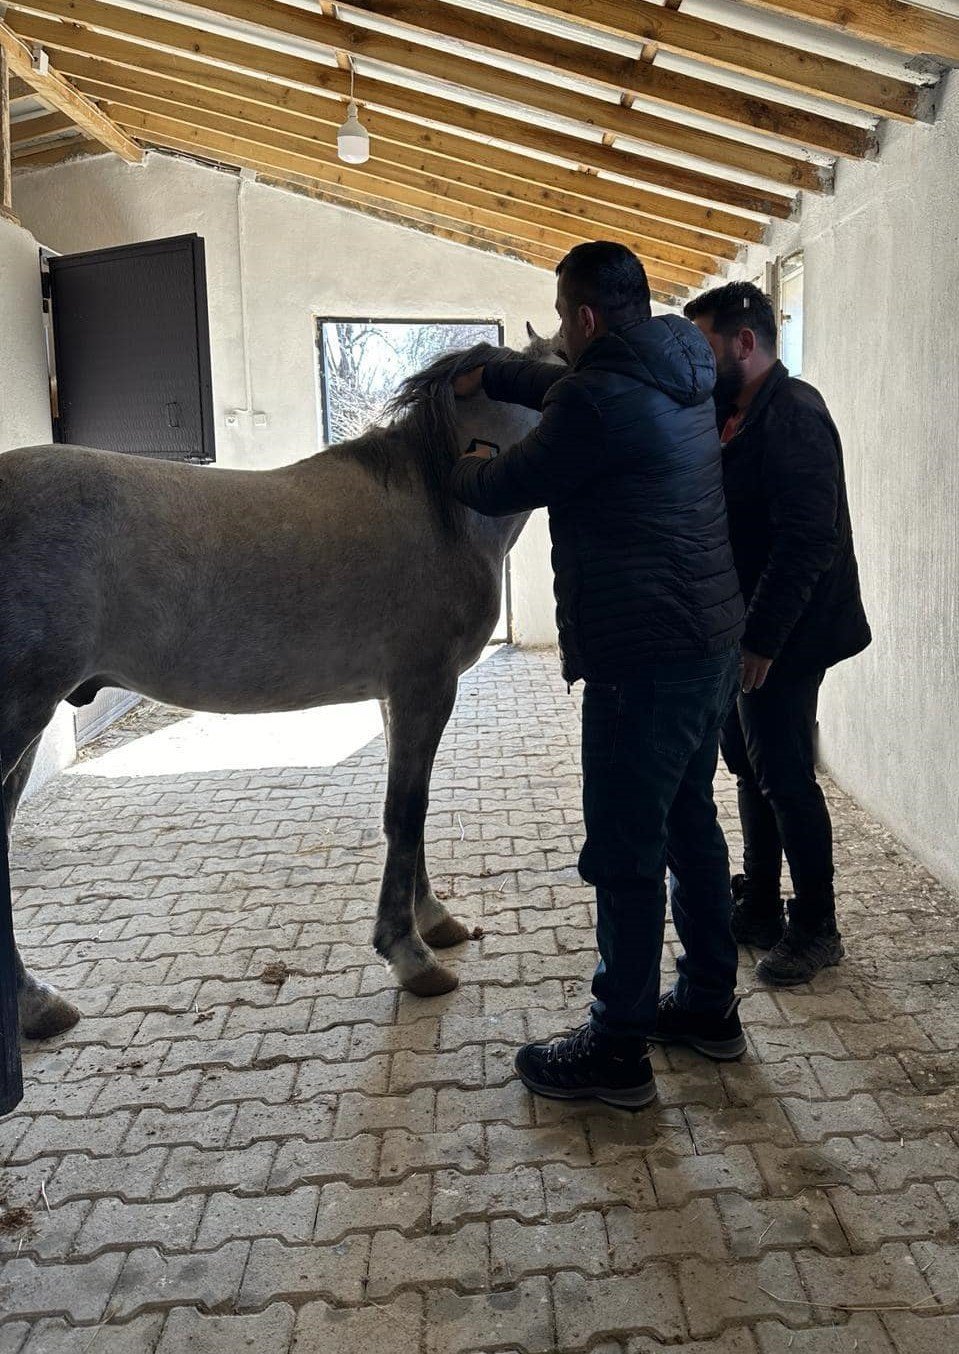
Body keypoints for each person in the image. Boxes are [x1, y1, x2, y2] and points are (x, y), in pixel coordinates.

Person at [449, 241, 746, 1109]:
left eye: (561, 317)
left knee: (623, 853)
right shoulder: (681, 364)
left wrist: (462, 455)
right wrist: (496, 372)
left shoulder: (594, 399)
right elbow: (569, 386)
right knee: (690, 824)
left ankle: (617, 1050)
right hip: (707, 644)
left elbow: (505, 483)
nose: (563, 335)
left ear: (581, 317)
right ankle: (708, 1006)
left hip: (638, 661)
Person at [683, 282, 871, 986]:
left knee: (786, 775)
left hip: (788, 632)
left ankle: (817, 927)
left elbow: (806, 542)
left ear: (743, 342)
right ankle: (761, 904)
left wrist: (761, 641)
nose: (695, 363)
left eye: (703, 346)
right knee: (748, 764)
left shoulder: (793, 414)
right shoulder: (731, 409)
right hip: (745, 627)